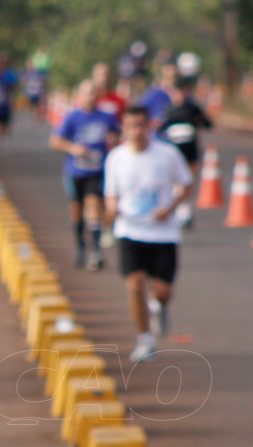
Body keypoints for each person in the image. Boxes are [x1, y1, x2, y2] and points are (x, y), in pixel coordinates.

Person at [104, 106, 194, 363]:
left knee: (163, 291)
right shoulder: (116, 158)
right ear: (123, 128)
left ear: (150, 126)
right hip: (130, 230)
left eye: (141, 125)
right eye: (131, 125)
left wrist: (171, 208)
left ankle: (160, 306)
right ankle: (145, 339)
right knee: (134, 284)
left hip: (163, 233)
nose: (136, 131)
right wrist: (111, 208)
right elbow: (110, 192)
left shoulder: (167, 155)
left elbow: (187, 184)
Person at [49, 79, 120, 270]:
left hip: (97, 171)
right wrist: (73, 148)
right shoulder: (72, 117)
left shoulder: (107, 117)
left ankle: (95, 250)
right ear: (78, 96)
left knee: (94, 205)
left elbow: (118, 135)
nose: (91, 96)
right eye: (87, 93)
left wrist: (114, 144)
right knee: (76, 211)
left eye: (94, 92)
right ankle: (80, 246)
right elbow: (55, 141)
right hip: (75, 171)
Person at [157, 78, 213, 230]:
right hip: (174, 155)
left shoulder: (192, 109)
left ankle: (185, 213)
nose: (178, 96)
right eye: (175, 93)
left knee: (188, 182)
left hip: (190, 153)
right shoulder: (168, 110)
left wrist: (199, 121)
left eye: (181, 92)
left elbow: (208, 124)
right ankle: (179, 212)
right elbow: (159, 131)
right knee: (176, 184)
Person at [140, 62, 178, 129]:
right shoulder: (153, 94)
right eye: (168, 77)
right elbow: (142, 111)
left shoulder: (181, 95)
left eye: (174, 77)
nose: (172, 81)